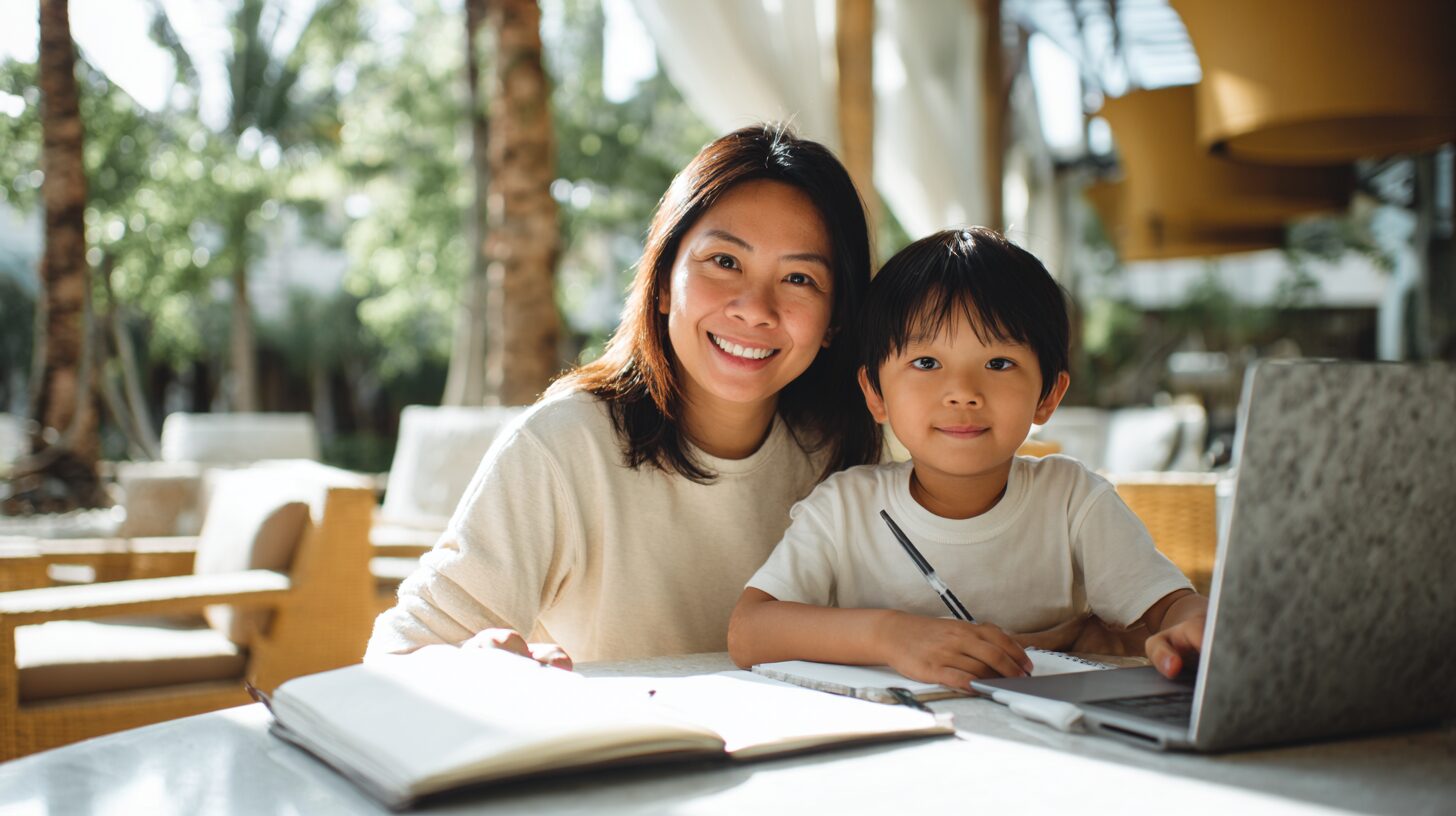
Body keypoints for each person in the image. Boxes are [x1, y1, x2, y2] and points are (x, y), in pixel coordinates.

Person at [367, 124, 882, 668]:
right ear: (662, 282)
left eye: (799, 278)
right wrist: (479, 670)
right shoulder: (564, 445)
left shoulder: (843, 457)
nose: (755, 308)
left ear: (835, 321)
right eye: (725, 262)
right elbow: (397, 656)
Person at [727, 228, 1208, 687]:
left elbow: (1171, 608)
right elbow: (749, 631)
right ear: (875, 392)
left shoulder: (1073, 501)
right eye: (927, 363)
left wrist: (1192, 623)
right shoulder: (844, 508)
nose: (962, 392)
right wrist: (891, 636)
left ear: (1048, 395)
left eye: (999, 364)